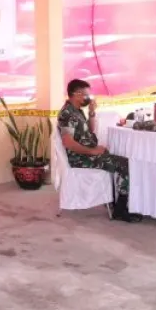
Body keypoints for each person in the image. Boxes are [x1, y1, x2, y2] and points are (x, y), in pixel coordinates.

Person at [57, 79, 142, 223]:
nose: (89, 98)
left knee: (119, 159)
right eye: (87, 95)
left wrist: (91, 113)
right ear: (77, 94)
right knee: (125, 164)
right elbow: (68, 142)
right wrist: (92, 151)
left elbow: (90, 130)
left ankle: (114, 202)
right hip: (81, 158)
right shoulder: (67, 114)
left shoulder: (77, 110)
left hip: (88, 153)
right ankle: (120, 210)